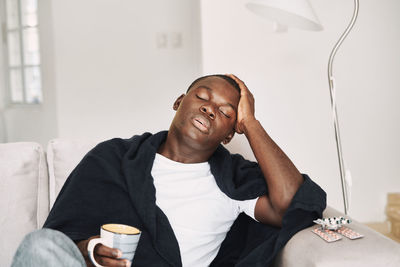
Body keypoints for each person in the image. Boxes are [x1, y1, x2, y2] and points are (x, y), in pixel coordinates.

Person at [12, 74, 326, 267]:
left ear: (231, 134)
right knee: (38, 245)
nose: (209, 108)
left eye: (227, 113)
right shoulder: (112, 158)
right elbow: (62, 237)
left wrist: (252, 124)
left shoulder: (233, 183)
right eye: (202, 96)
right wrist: (92, 250)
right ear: (179, 102)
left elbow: (291, 203)